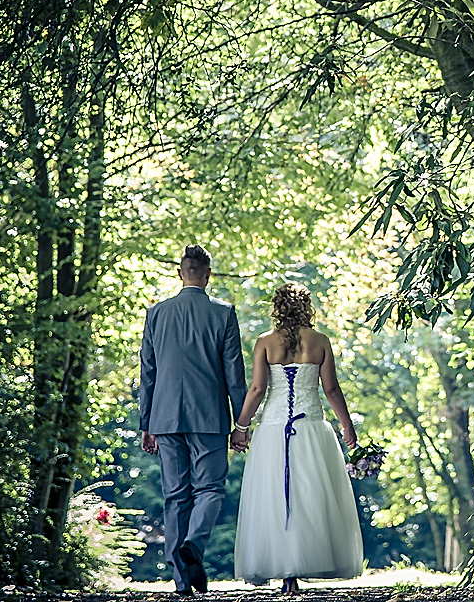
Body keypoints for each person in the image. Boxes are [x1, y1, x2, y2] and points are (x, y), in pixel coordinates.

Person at [232, 282, 363, 595]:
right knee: (310, 495)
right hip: (312, 428)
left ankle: (285, 572)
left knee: (274, 495)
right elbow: (331, 389)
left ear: (277, 307)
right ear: (306, 307)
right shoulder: (319, 341)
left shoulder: (265, 342)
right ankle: (301, 563)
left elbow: (258, 390)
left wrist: (241, 426)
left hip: (274, 429)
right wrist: (347, 426)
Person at [139, 244, 248, 595]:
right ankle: (194, 546)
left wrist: (146, 422)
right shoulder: (223, 313)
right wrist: (241, 423)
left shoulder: (156, 313)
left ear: (180, 273)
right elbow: (234, 374)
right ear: (208, 274)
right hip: (210, 417)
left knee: (175, 496)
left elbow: (148, 373)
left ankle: (182, 581)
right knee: (211, 489)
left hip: (166, 417)